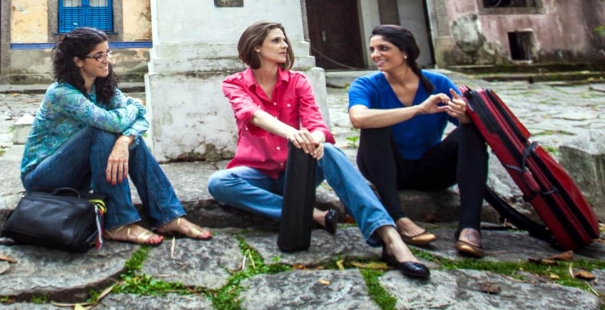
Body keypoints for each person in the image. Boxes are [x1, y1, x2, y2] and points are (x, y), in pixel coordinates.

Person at [208, 21, 429, 279]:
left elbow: (316, 124)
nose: (285, 45)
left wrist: (313, 139)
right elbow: (251, 114)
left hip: (299, 173)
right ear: (257, 47)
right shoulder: (235, 84)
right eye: (276, 41)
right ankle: (312, 214)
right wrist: (291, 133)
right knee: (219, 182)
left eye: (284, 40)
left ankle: (390, 237)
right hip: (259, 174)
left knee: (331, 152)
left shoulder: (298, 81)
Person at [21, 27, 212, 246]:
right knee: (101, 133)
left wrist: (125, 140)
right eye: (98, 56)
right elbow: (115, 121)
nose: (106, 61)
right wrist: (134, 105)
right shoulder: (61, 93)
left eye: (107, 53)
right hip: (43, 177)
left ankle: (167, 215)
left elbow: (140, 120)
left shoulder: (103, 87)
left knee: (130, 141)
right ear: (78, 61)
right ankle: (117, 223)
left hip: (80, 175)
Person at [348, 25, 489, 258]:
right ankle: (397, 217)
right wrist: (418, 110)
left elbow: (467, 122)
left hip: (431, 170)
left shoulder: (438, 83)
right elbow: (358, 118)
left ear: (405, 52)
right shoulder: (367, 84)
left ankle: (470, 226)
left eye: (384, 48)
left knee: (471, 130)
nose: (375, 55)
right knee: (374, 124)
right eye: (373, 49)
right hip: (387, 167)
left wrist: (462, 113)